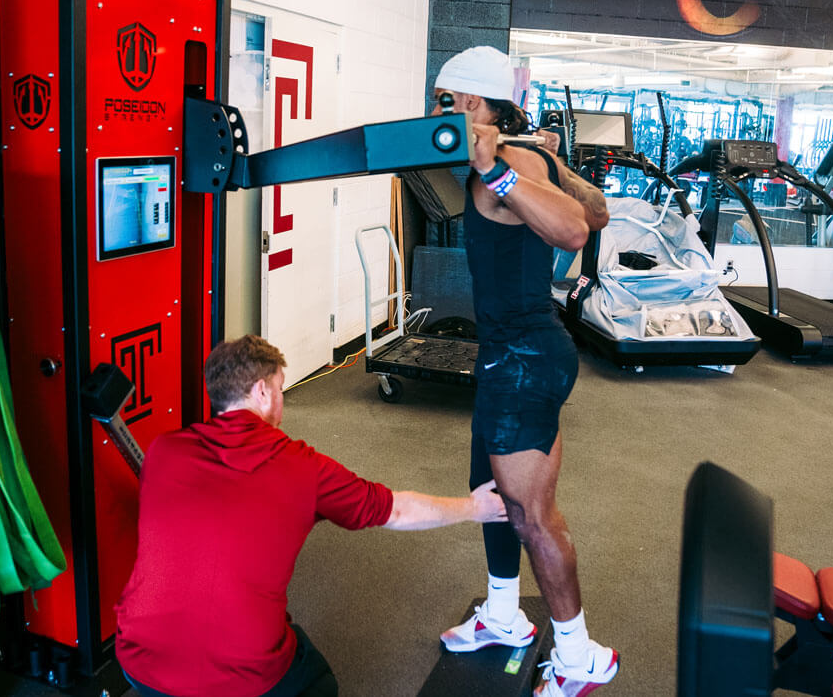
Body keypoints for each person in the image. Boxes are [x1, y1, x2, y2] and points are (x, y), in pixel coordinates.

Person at [114, 334, 507, 697]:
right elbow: (397, 510)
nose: (281, 405)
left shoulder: (163, 452)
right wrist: (475, 508)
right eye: (280, 389)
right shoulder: (303, 467)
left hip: (137, 662)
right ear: (262, 391)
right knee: (318, 682)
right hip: (245, 676)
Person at [430, 46, 618, 696]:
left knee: (533, 516)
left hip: (523, 360)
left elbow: (577, 230)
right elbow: (599, 208)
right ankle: (504, 615)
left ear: (470, 103)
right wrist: (549, 164)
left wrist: (497, 169)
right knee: (492, 495)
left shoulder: (504, 167)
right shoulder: (535, 156)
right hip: (511, 355)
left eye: (443, 101)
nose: (435, 112)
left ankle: (579, 657)